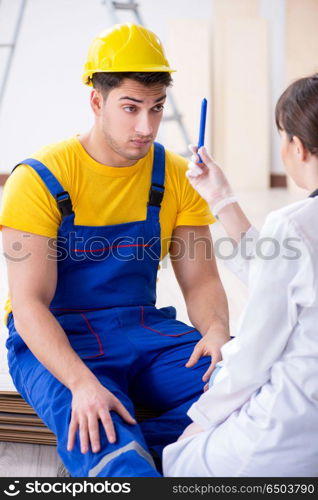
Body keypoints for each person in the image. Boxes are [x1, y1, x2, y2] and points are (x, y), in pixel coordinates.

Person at [0, 23, 230, 477]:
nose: (146, 127)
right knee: (107, 444)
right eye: (130, 108)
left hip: (146, 329)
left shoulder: (178, 176)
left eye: (156, 108)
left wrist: (218, 332)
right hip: (58, 338)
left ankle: (168, 447)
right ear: (96, 101)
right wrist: (81, 384)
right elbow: (28, 306)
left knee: (249, 393)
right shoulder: (41, 178)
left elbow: (202, 280)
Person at [162, 74, 318, 477]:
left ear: (297, 147)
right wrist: (221, 198)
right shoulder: (299, 228)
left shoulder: (295, 225)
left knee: (178, 457)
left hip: (290, 434)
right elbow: (285, 279)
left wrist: (203, 418)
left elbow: (253, 352)